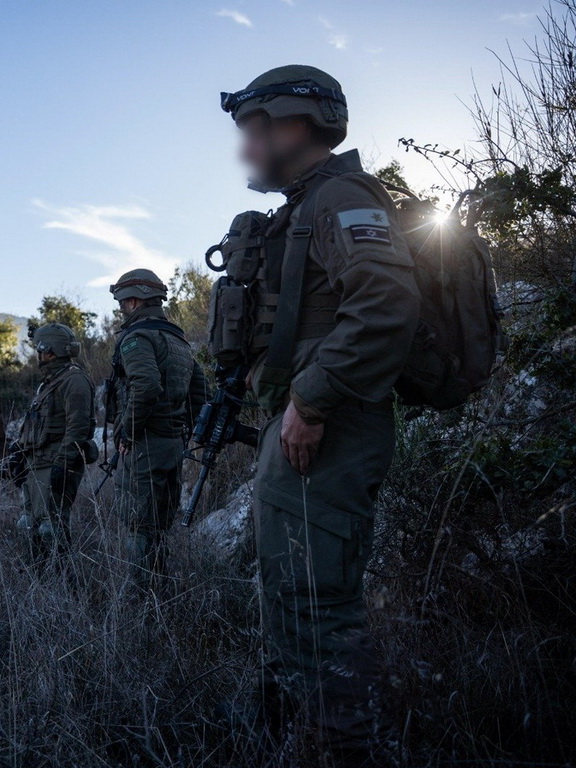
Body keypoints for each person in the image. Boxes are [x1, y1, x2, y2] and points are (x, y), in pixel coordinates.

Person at [216, 65, 421, 763]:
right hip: (307, 426)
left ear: (292, 123)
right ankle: (293, 738)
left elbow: (386, 303)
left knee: (319, 606)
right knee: (287, 591)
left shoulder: (341, 196)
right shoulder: (304, 206)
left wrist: (312, 399)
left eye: (253, 131)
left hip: (330, 426)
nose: (246, 149)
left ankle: (346, 749)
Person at [105, 269, 207, 583]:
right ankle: (159, 591)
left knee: (138, 526)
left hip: (145, 444)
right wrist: (185, 431)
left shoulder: (137, 337)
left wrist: (128, 431)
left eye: (123, 303)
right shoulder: (178, 340)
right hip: (172, 444)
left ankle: (140, 601)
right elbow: (199, 392)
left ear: (133, 300)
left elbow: (146, 386)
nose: (122, 309)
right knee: (160, 524)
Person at [15, 323, 97, 563]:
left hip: (55, 464)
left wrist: (63, 465)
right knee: (28, 525)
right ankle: (39, 581)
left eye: (40, 349)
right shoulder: (50, 381)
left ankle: (65, 584)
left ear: (50, 350)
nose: (38, 355)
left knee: (51, 529)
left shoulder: (74, 380)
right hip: (37, 463)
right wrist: (18, 453)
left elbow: (78, 426)